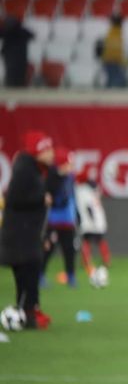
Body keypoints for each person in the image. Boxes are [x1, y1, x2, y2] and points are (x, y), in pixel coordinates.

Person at [0, 131, 59, 329]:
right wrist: (41, 199)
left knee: (31, 270)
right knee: (28, 270)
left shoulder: (36, 169)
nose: (52, 154)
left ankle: (30, 310)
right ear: (37, 151)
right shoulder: (25, 169)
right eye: (47, 149)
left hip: (27, 232)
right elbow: (15, 199)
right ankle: (27, 312)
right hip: (20, 234)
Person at [42, 147, 78, 287]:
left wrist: (77, 215)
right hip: (54, 221)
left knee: (69, 250)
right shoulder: (52, 176)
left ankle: (71, 276)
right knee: (48, 249)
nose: (72, 166)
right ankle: (40, 274)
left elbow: (72, 197)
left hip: (68, 221)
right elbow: (51, 197)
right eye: (69, 163)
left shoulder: (70, 178)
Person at [74, 166, 111, 280]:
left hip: (90, 221)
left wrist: (92, 219)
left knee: (87, 241)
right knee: (98, 240)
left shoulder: (82, 190)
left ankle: (87, 261)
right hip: (97, 219)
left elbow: (88, 206)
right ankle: (105, 260)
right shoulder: (93, 188)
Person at [0, 15, 34, 88]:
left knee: (15, 73)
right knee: (14, 73)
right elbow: (31, 35)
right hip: (17, 57)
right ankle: (14, 86)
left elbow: (32, 35)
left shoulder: (7, 31)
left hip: (13, 56)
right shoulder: (21, 31)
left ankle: (14, 86)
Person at [101, 13, 128, 88]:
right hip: (113, 62)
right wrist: (123, 62)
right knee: (118, 82)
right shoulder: (116, 34)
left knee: (111, 81)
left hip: (109, 61)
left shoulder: (112, 33)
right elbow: (116, 50)